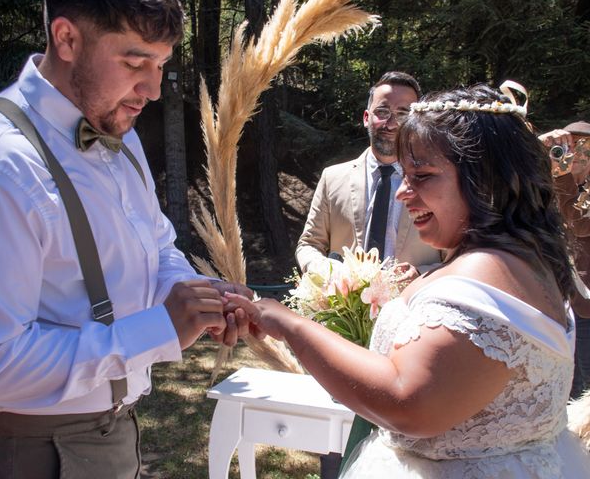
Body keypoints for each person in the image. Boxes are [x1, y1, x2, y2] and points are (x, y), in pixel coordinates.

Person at [0, 0, 251, 477]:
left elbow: (156, 246)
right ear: (67, 39)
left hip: (114, 432)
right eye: (135, 63)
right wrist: (161, 329)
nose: (152, 90)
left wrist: (192, 295)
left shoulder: (119, 132)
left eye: (161, 65)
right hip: (20, 452)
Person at [228, 84, 590, 477]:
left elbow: (407, 402)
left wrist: (288, 324)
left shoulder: (486, 269)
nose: (403, 192)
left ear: (484, 179)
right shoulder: (524, 257)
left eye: (422, 176)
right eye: (405, 174)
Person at [295, 71, 442, 280]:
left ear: (415, 122)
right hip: (344, 308)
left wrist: (420, 274)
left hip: (412, 306)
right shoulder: (332, 178)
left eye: (402, 113)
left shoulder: (437, 182)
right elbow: (309, 244)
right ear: (366, 118)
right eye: (382, 111)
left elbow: (459, 256)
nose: (391, 123)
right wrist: (326, 271)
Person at [539, 121, 590, 399]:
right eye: (568, 148)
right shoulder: (555, 183)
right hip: (561, 303)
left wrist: (561, 175)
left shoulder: (563, 182)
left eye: (581, 148)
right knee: (570, 389)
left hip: (587, 307)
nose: (571, 156)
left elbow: (580, 223)